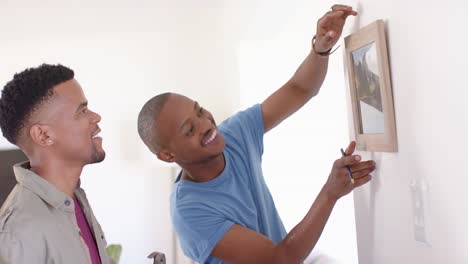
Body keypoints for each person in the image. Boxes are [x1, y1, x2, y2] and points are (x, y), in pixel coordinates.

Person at [137, 5, 375, 264]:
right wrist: (330, 193)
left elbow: (300, 88)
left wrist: (320, 48)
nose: (205, 124)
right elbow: (279, 259)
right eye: (189, 130)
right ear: (168, 155)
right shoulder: (190, 212)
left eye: (199, 110)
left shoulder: (234, 134)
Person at [0, 64, 113, 264]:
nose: (96, 117)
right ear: (44, 135)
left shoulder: (75, 200)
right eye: (82, 110)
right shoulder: (19, 231)